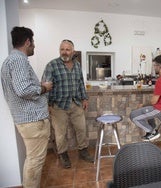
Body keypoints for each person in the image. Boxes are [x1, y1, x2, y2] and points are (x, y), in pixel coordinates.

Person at [1, 26, 53, 188]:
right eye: (33, 42)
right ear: (27, 42)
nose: (34, 46)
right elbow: (23, 90)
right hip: (33, 120)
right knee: (35, 161)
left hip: (27, 119)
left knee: (33, 159)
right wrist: (44, 87)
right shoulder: (18, 60)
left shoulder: (10, 61)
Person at [42, 39, 93, 169]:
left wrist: (84, 98)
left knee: (81, 128)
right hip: (58, 106)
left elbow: (81, 83)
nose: (64, 52)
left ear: (73, 51)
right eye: (62, 49)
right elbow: (45, 86)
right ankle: (63, 154)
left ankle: (83, 151)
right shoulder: (51, 65)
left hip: (76, 103)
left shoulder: (77, 65)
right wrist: (47, 104)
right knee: (60, 133)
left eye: (67, 49)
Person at [130, 55, 161, 141]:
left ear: (159, 66)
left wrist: (142, 104)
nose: (154, 67)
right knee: (146, 109)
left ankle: (152, 132)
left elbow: (153, 101)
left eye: (154, 65)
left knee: (133, 115)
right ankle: (152, 132)